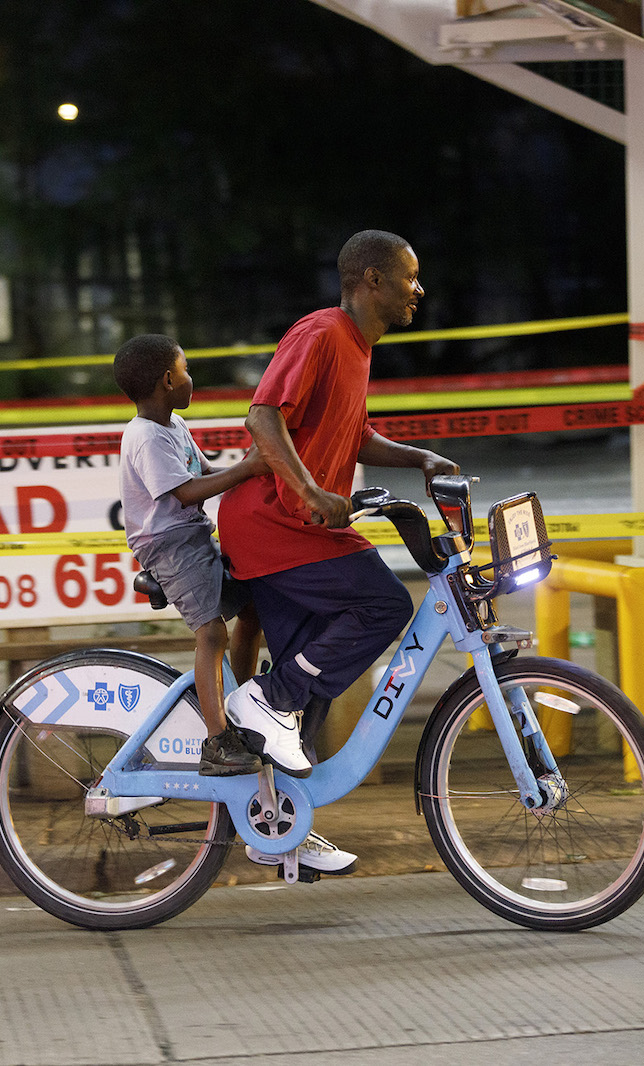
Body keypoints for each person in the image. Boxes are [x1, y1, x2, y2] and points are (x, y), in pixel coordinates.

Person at [217, 229, 458, 876]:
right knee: (381, 606)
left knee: (310, 687)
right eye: (410, 276)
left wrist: (419, 458)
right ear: (371, 280)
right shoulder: (321, 333)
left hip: (302, 525)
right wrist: (311, 489)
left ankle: (279, 822)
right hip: (275, 523)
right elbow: (262, 417)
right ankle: (264, 701)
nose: (419, 289)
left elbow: (353, 432)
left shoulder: (357, 347)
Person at [114, 333, 266, 776]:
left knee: (254, 606)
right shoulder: (145, 437)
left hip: (193, 536)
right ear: (167, 380)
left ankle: (241, 704)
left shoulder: (174, 427)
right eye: (185, 371)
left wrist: (252, 466)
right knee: (212, 634)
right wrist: (248, 468)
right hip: (169, 545)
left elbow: (206, 473)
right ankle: (217, 739)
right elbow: (186, 491)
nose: (190, 380)